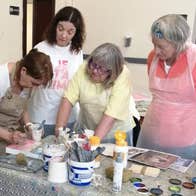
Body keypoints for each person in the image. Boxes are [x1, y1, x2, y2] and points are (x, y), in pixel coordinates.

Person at [137, 14, 196, 160]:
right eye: (154, 44)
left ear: (178, 43)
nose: (156, 51)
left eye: (161, 46)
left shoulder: (194, 60)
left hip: (185, 140)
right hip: (151, 134)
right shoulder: (153, 58)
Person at [55, 43, 135, 146]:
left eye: (101, 68)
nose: (94, 71)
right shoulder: (84, 67)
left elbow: (111, 115)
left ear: (112, 72)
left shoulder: (123, 74)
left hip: (116, 134)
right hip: (87, 129)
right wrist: (60, 130)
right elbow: (68, 99)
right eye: (94, 64)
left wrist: (92, 144)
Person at [27, 6, 86, 136]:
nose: (64, 35)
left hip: (68, 118)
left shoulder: (77, 52)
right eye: (60, 29)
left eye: (70, 32)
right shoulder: (41, 48)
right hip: (40, 115)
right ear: (54, 26)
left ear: (76, 32)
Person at [0, 49, 53, 153]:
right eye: (33, 83)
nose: (34, 87)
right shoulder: (2, 77)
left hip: (11, 135)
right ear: (23, 70)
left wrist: (29, 126)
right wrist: (9, 136)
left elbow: (22, 107)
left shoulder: (25, 81)